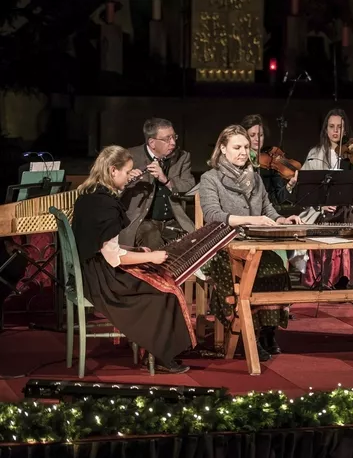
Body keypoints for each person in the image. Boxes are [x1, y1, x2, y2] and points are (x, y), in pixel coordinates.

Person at [72, 145, 194, 374]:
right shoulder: (103, 204)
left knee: (157, 279)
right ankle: (161, 354)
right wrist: (154, 256)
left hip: (93, 268)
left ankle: (159, 347)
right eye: (127, 172)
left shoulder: (92, 195)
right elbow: (114, 258)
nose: (130, 177)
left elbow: (102, 244)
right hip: (102, 280)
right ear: (112, 170)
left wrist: (135, 249)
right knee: (162, 292)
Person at [199, 125, 301, 361]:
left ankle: (267, 332)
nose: (243, 152)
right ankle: (247, 335)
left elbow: (267, 209)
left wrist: (282, 219)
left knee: (275, 268)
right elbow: (213, 214)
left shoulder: (255, 177)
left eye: (246, 147)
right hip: (225, 245)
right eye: (237, 147)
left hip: (255, 244)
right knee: (243, 277)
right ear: (222, 149)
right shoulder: (210, 178)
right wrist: (251, 219)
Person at [291, 108, 353, 289]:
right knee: (324, 221)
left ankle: (343, 280)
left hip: (347, 211)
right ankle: (320, 280)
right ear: (325, 130)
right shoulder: (315, 153)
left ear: (346, 130)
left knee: (346, 218)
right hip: (319, 211)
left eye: (340, 127)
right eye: (331, 127)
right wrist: (320, 205)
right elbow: (306, 190)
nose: (335, 131)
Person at [119, 118, 195, 249]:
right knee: (152, 238)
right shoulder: (129, 156)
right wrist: (124, 181)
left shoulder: (182, 157)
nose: (173, 142)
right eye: (167, 139)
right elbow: (110, 187)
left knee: (191, 246)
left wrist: (166, 180)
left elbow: (190, 189)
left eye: (174, 137)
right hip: (142, 222)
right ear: (152, 143)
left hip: (174, 220)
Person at [241, 114, 298, 206]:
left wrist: (290, 185)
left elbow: (279, 198)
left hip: (269, 213)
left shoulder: (271, 163)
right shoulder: (240, 162)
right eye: (252, 135)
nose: (257, 139)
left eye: (261, 135)